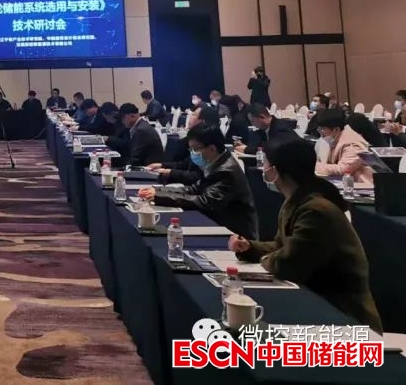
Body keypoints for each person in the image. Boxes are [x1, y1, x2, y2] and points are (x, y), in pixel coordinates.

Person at [228, 139, 382, 330]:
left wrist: (265, 258)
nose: (263, 169)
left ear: (276, 171)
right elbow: (283, 246)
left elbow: (289, 262)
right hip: (320, 304)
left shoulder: (316, 210)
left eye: (265, 164)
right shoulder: (296, 202)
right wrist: (250, 248)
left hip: (345, 315)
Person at [139, 124, 257, 238]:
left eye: (195, 149)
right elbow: (192, 189)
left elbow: (204, 201)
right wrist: (158, 191)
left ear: (212, 148)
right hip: (217, 222)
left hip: (237, 236)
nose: (192, 153)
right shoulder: (216, 162)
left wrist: (160, 197)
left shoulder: (226, 171)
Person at [313, 109, 373, 186]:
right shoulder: (335, 138)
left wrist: (314, 166)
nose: (321, 133)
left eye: (323, 129)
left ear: (336, 129)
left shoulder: (352, 143)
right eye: (319, 129)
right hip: (346, 184)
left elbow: (343, 169)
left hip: (361, 186)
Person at [108, 102, 164, 167]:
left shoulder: (141, 131)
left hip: (148, 168)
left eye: (123, 117)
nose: (122, 121)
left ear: (132, 116)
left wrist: (120, 168)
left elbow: (135, 159)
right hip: (146, 165)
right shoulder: (142, 125)